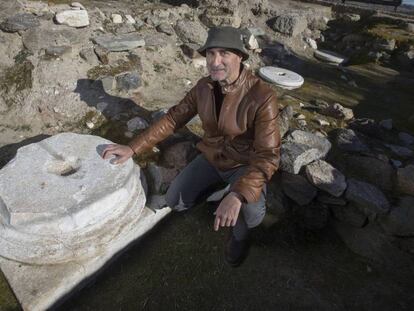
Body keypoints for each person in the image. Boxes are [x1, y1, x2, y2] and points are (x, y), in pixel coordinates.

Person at [102, 26, 281, 267]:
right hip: (212, 158)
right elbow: (173, 119)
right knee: (176, 200)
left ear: (240, 56)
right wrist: (133, 147)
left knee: (252, 215)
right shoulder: (203, 88)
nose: (215, 62)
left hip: (244, 165)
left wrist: (239, 194)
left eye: (223, 54)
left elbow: (268, 156)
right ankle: (222, 193)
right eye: (210, 54)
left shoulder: (262, 96)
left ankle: (240, 234)